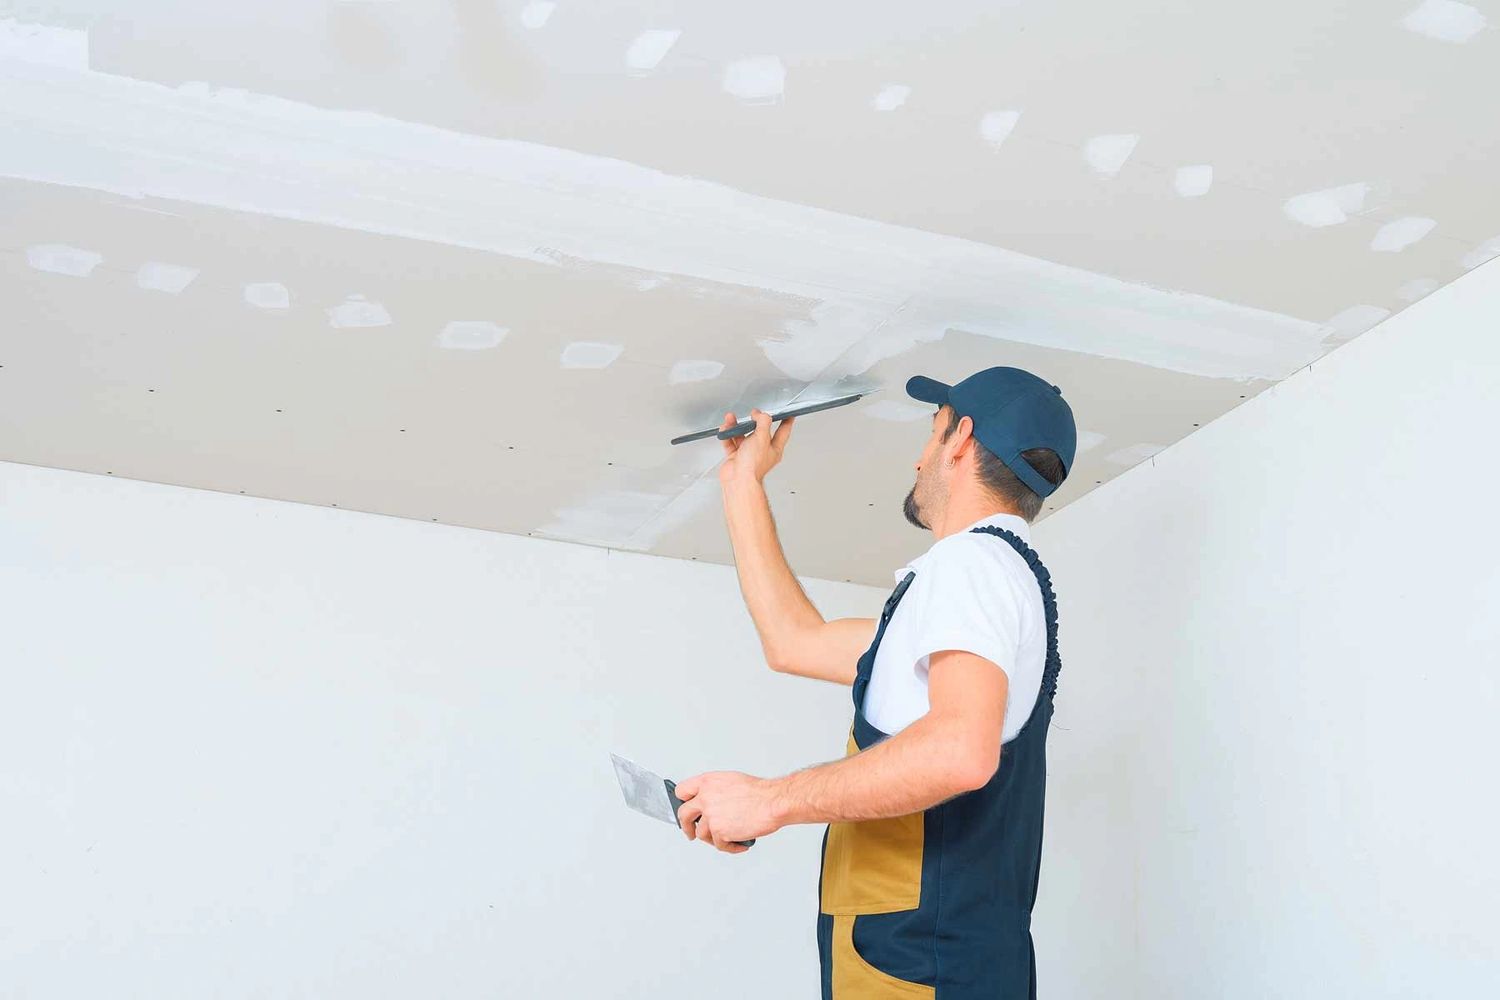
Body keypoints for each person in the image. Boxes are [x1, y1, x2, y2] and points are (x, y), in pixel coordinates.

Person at [673, 366, 1076, 999]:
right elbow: (793, 642)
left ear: (962, 439)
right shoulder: (979, 585)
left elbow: (959, 752)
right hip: (912, 964)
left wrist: (771, 801)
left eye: (931, 432)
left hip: (923, 971)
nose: (919, 460)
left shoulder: (971, 565)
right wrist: (740, 480)